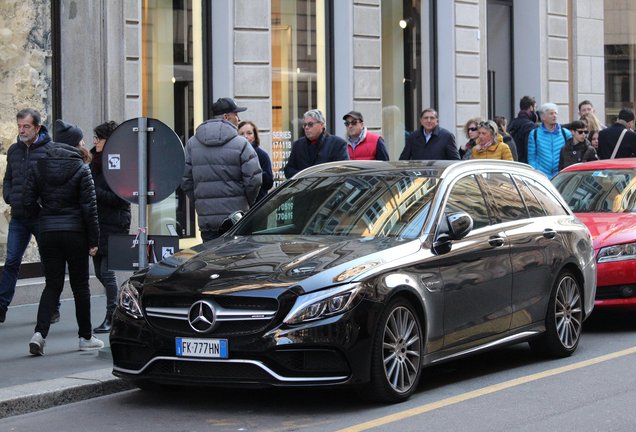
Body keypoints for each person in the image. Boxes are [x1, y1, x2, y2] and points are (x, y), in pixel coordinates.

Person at [23, 120, 103, 355]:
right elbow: (90, 208)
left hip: (48, 232)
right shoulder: (81, 168)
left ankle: (39, 334)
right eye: (80, 140)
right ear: (74, 144)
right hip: (75, 233)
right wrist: (94, 241)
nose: (84, 143)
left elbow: (27, 202)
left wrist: (44, 218)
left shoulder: (39, 165)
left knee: (52, 285)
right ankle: (85, 337)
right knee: (80, 286)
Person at [0, 108, 57, 324]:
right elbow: (8, 178)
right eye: (19, 126)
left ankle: (53, 307)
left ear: (37, 128)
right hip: (19, 217)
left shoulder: (50, 150)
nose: (22, 130)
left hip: (41, 218)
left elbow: (55, 181)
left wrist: (45, 203)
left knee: (49, 262)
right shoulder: (14, 150)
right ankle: (1, 306)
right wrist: (9, 196)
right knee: (12, 261)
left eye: (26, 126)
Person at [182, 97, 262, 241]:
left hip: (207, 221)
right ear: (226, 117)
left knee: (211, 261)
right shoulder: (241, 144)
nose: (238, 119)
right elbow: (254, 180)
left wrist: (202, 203)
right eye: (235, 115)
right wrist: (246, 203)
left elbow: (186, 180)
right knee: (237, 261)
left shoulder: (192, 144)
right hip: (236, 220)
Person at [90, 121, 131, 333]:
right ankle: (120, 303)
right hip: (97, 223)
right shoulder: (93, 161)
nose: (95, 141)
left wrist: (94, 192)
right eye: (94, 137)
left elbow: (123, 198)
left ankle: (112, 316)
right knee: (98, 271)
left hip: (115, 222)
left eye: (99, 138)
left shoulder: (119, 163)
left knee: (106, 272)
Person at [283, 109, 349, 179]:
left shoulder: (337, 144)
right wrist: (303, 177)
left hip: (328, 188)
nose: (306, 128)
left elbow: (343, 172)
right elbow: (288, 170)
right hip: (302, 188)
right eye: (305, 125)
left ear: (321, 125)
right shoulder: (298, 145)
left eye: (310, 124)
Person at [527, 102, 571, 178]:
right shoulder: (534, 134)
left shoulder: (565, 133)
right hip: (541, 177)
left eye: (555, 113)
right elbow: (531, 158)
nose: (555, 116)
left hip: (561, 176)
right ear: (543, 117)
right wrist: (536, 172)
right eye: (551, 114)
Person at [238, 120, 273, 202]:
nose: (245, 136)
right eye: (242, 134)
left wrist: (255, 174)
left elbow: (269, 182)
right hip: (239, 203)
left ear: (255, 136)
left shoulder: (262, 155)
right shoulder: (234, 155)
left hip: (258, 204)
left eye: (249, 133)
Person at [508, 95, 538, 163]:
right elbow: (529, 149)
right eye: (535, 107)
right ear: (531, 107)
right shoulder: (530, 126)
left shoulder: (513, 122)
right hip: (524, 164)